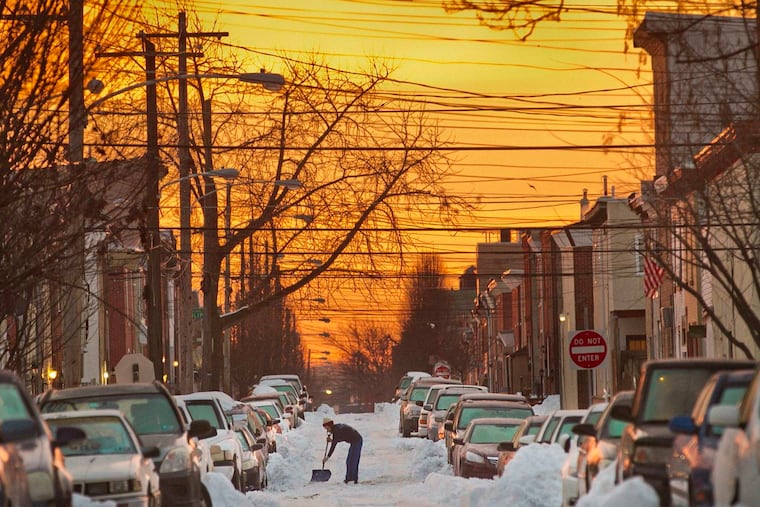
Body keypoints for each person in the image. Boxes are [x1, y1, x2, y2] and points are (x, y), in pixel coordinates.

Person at [322, 417, 363, 483]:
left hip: (357, 440)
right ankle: (349, 478)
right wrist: (332, 440)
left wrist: (327, 457)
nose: (327, 430)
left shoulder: (336, 430)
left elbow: (334, 445)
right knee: (349, 461)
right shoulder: (336, 429)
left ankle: (354, 478)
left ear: (329, 426)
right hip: (353, 442)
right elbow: (340, 438)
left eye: (327, 428)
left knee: (353, 460)